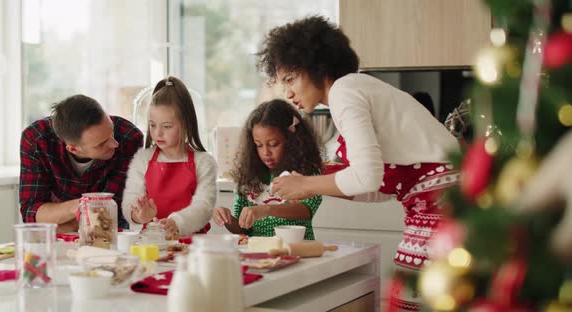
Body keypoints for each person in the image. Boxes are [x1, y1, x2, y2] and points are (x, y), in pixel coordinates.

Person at [256, 16, 460, 310]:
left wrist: (307, 184)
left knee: (408, 301)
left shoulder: (344, 92)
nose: (287, 93)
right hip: (440, 202)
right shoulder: (356, 90)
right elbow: (379, 187)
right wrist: (313, 186)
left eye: (290, 79)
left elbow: (367, 177)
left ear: (318, 65)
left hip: (442, 205)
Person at [19, 95, 144, 233]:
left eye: (112, 131)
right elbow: (31, 213)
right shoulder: (36, 140)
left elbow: (112, 210)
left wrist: (57, 222)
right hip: (59, 239)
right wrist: (79, 206)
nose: (115, 144)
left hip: (108, 234)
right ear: (73, 149)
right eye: (101, 143)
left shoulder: (129, 137)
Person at [212, 99, 323, 239]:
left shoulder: (305, 173)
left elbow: (305, 210)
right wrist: (226, 218)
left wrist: (266, 209)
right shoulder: (249, 178)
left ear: (292, 141)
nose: (266, 152)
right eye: (258, 145)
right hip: (259, 256)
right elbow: (241, 227)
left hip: (296, 250)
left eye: (273, 144)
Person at [122, 76, 217, 238]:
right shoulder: (142, 159)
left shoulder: (203, 162)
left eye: (166, 126)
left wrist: (177, 222)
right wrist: (138, 215)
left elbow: (204, 206)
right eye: (152, 125)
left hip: (192, 244)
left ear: (186, 124)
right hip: (153, 242)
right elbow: (130, 199)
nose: (158, 133)